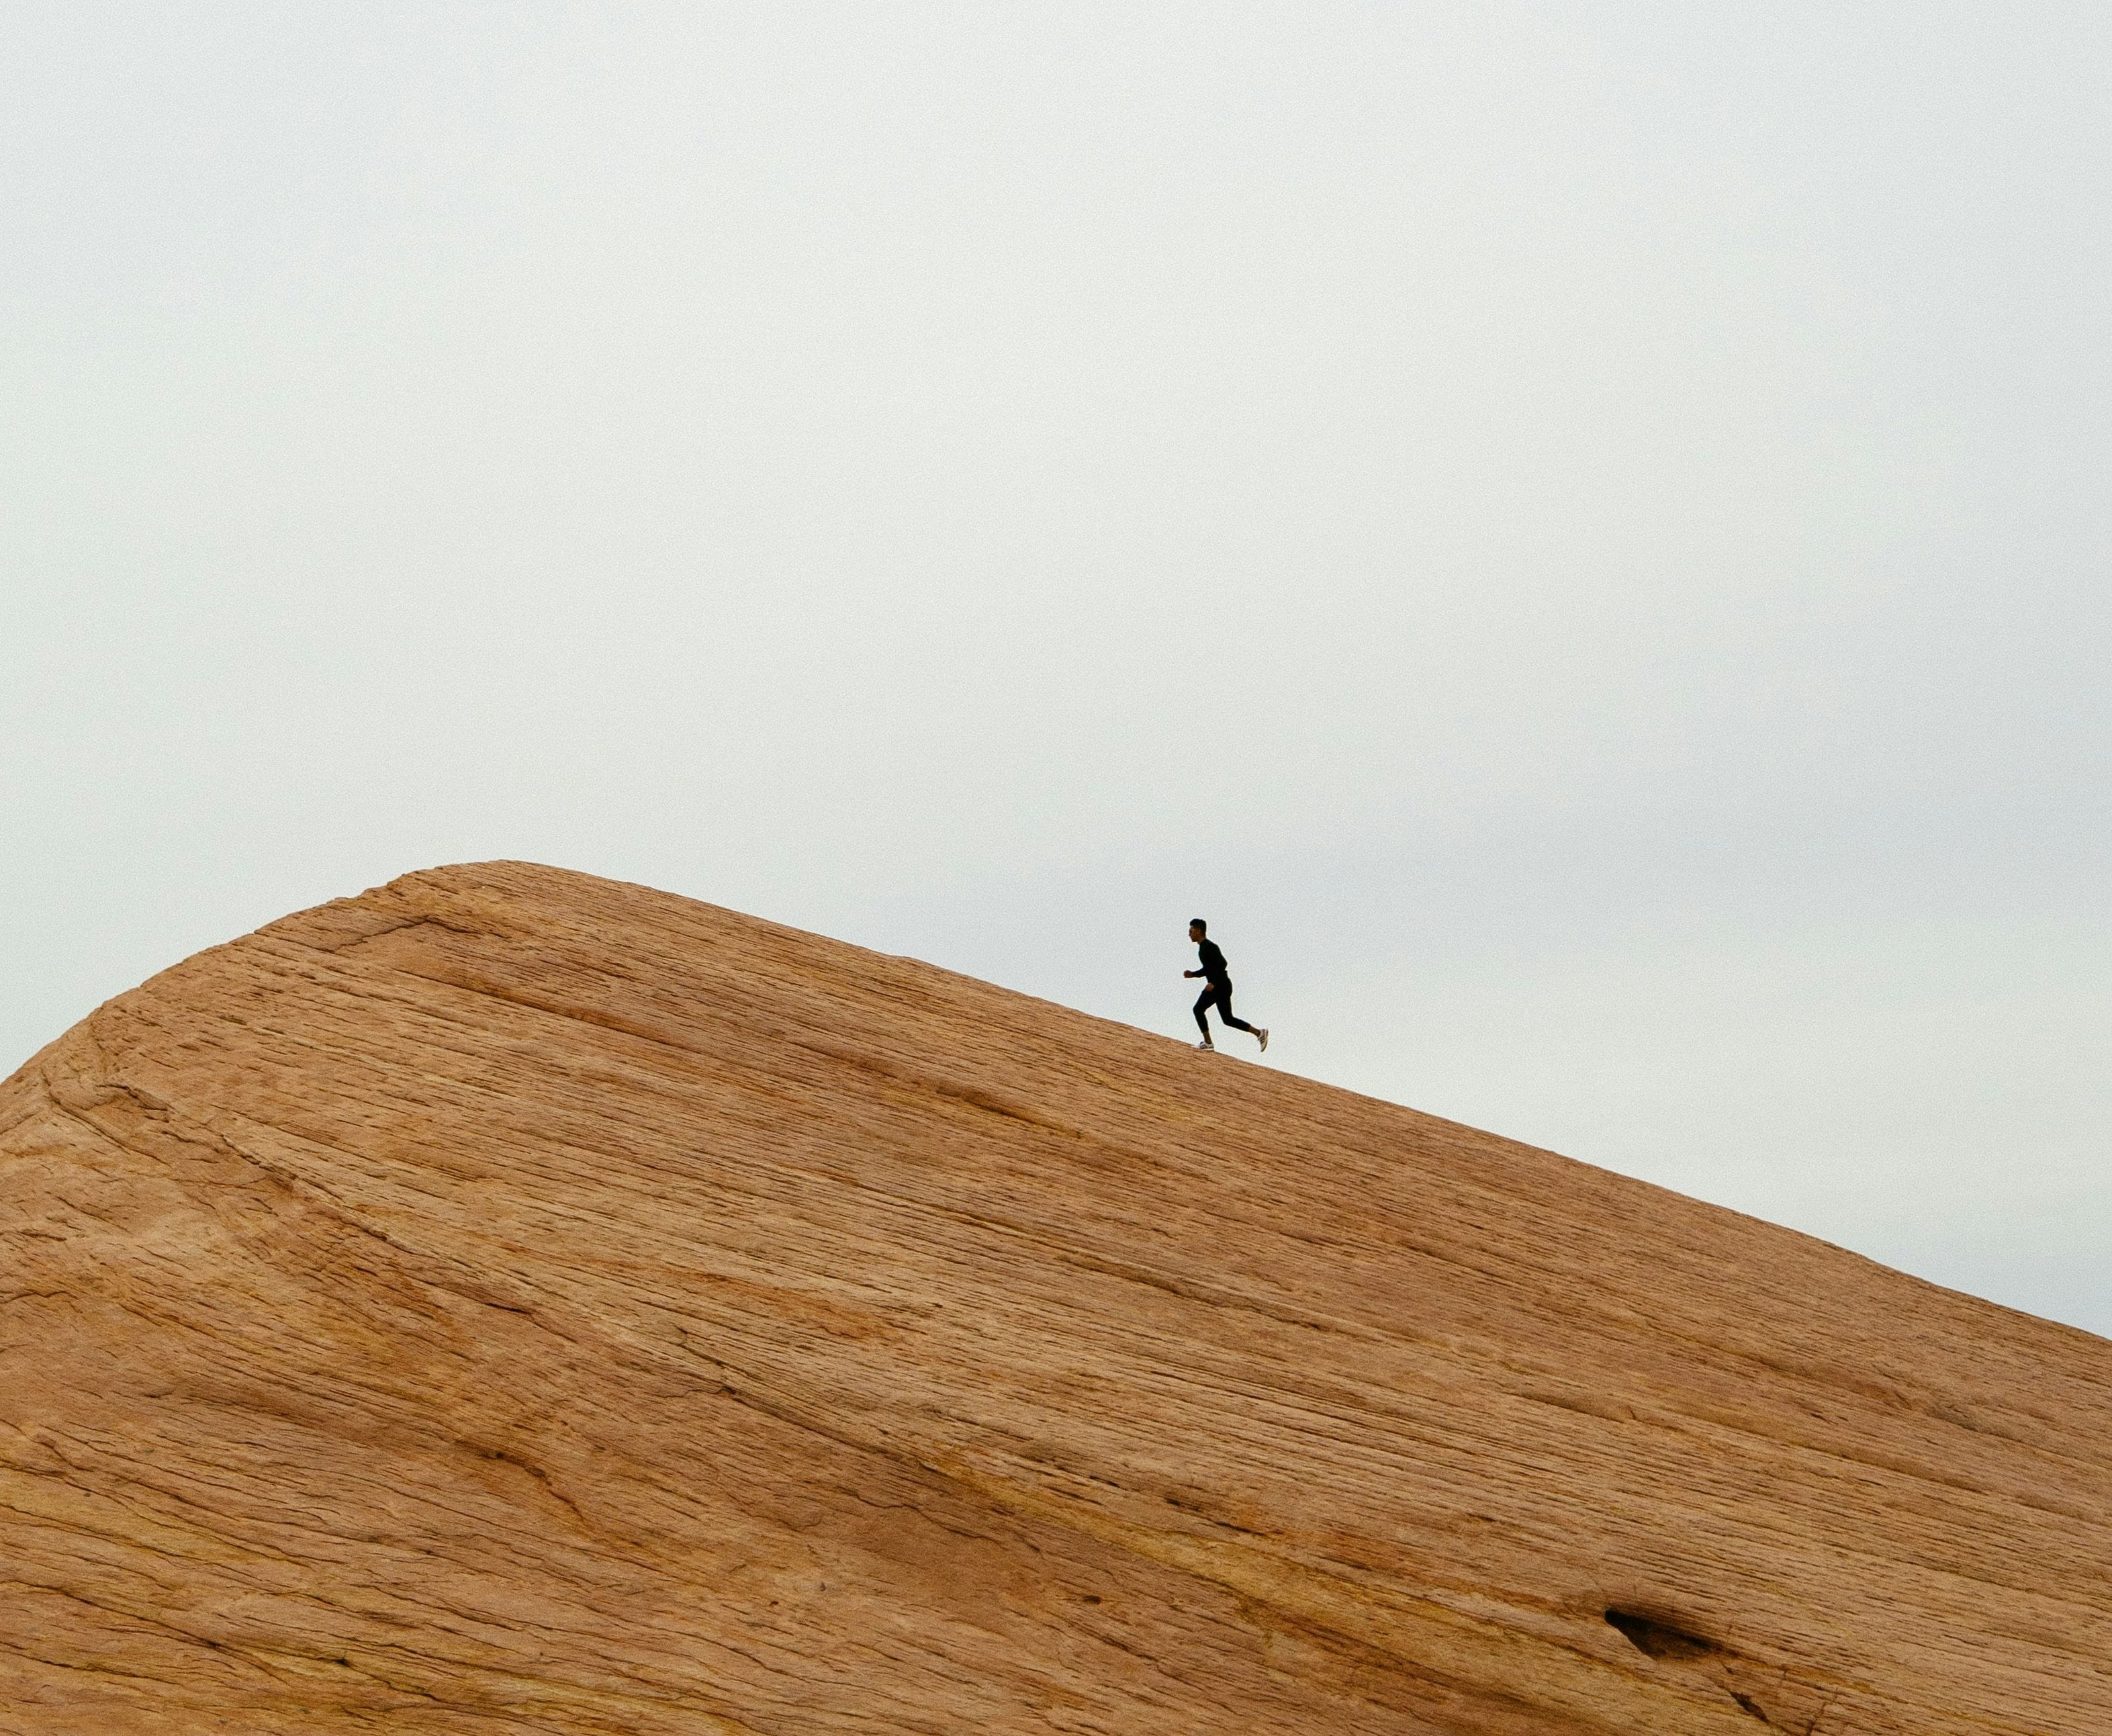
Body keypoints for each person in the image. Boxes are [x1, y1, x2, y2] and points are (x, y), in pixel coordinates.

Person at [1184, 918, 1268, 1054]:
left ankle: (1208, 1043)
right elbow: (1208, 969)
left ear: (1199, 931)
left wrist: (1213, 983)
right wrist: (1193, 974)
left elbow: (1223, 963)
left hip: (1220, 986)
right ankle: (1259, 1033)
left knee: (1198, 1009)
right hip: (1223, 986)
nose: (1189, 934)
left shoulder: (1209, 947)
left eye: (1191, 931)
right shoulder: (1203, 948)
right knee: (1228, 1019)